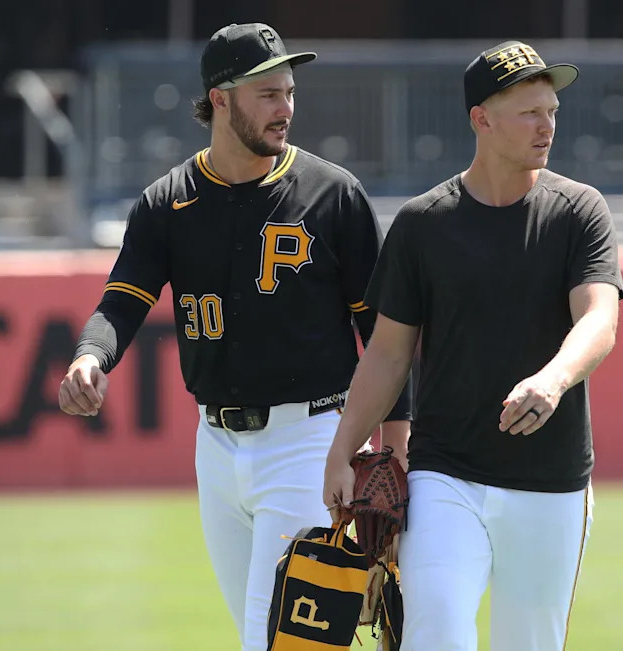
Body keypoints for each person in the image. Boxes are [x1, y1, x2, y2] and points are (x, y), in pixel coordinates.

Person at [58, 23, 411, 651]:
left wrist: (397, 445)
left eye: (289, 92)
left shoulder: (332, 195)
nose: (286, 108)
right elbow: (124, 299)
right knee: (266, 637)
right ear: (219, 100)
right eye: (268, 94)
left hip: (311, 441)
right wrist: (90, 356)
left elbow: (383, 335)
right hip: (216, 448)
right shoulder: (168, 203)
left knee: (276, 642)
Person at [323, 40, 623, 651]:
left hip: (551, 478)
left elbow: (599, 318)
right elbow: (387, 354)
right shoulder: (423, 223)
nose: (547, 126)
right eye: (529, 112)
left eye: (552, 111)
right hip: (446, 472)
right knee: (434, 628)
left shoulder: (579, 211)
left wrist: (553, 378)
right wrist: (342, 450)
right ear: (481, 119)